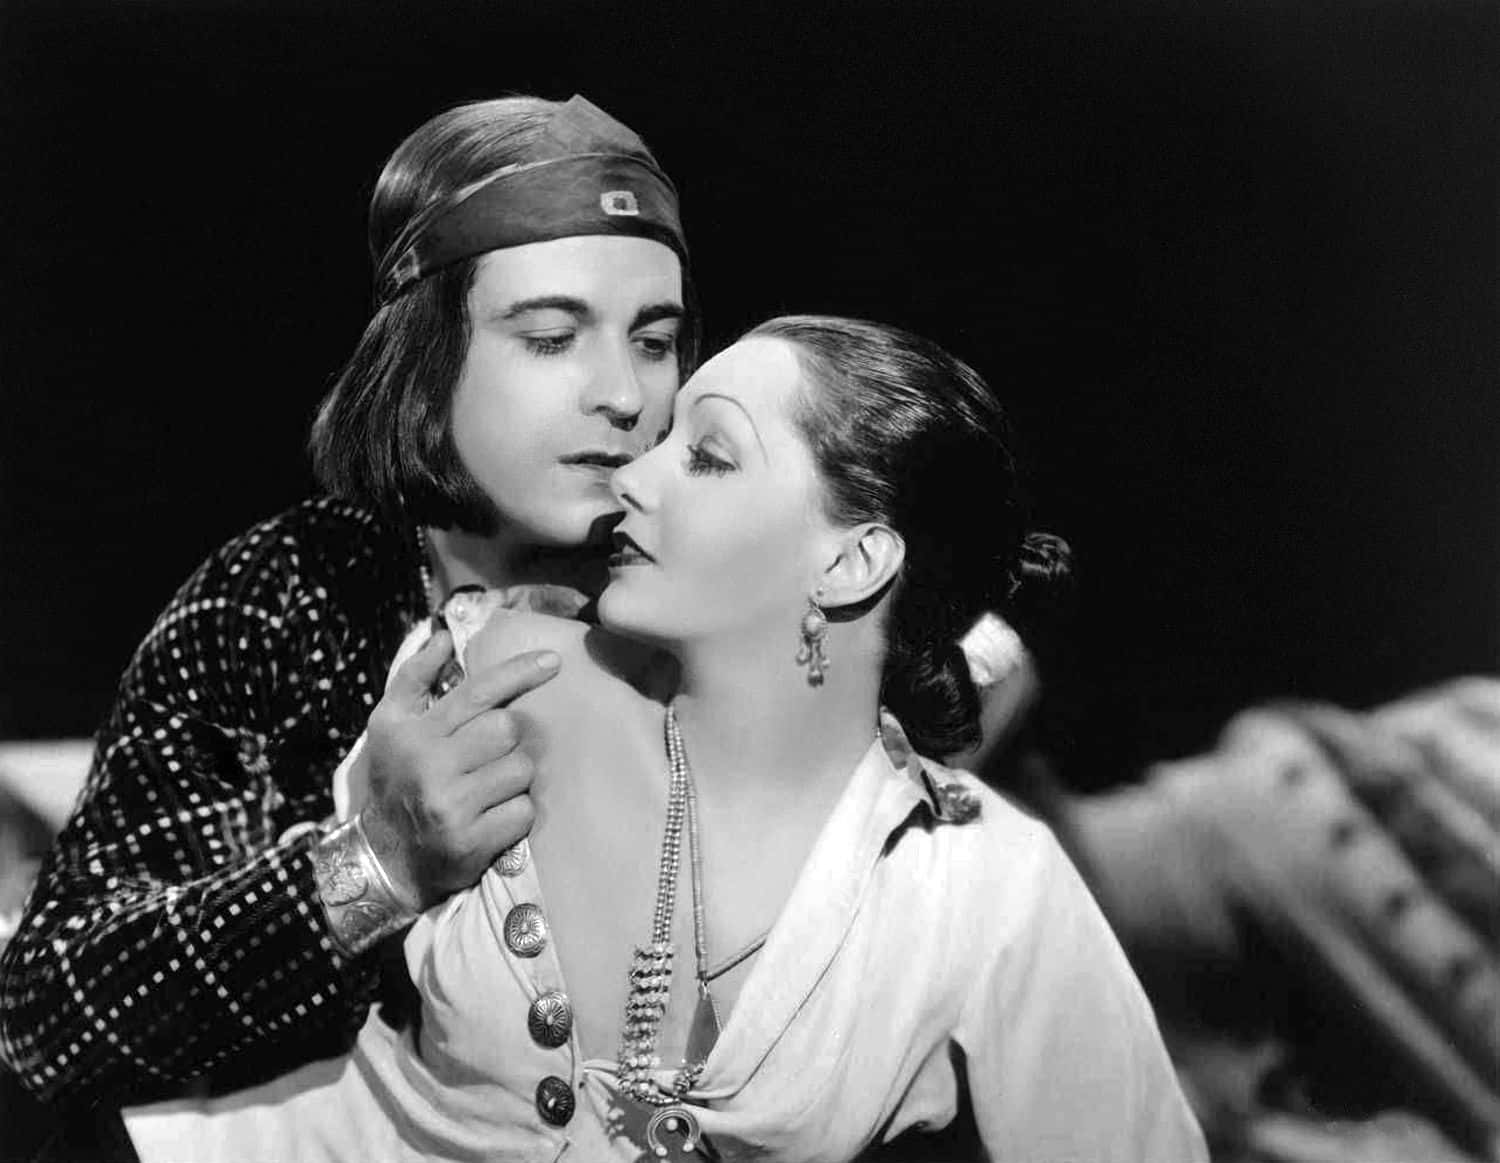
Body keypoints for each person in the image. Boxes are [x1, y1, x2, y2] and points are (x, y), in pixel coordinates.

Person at [123, 317, 1209, 1161]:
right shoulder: (508, 672)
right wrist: (377, 858)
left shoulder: (976, 887)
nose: (635, 473)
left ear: (850, 562)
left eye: (709, 455)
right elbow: (212, 1002)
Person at [0, 93, 693, 1135]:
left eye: (656, 340)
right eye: (552, 337)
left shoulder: (718, 586)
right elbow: (51, 1014)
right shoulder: (283, 600)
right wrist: (377, 862)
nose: (624, 393)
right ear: (424, 353)